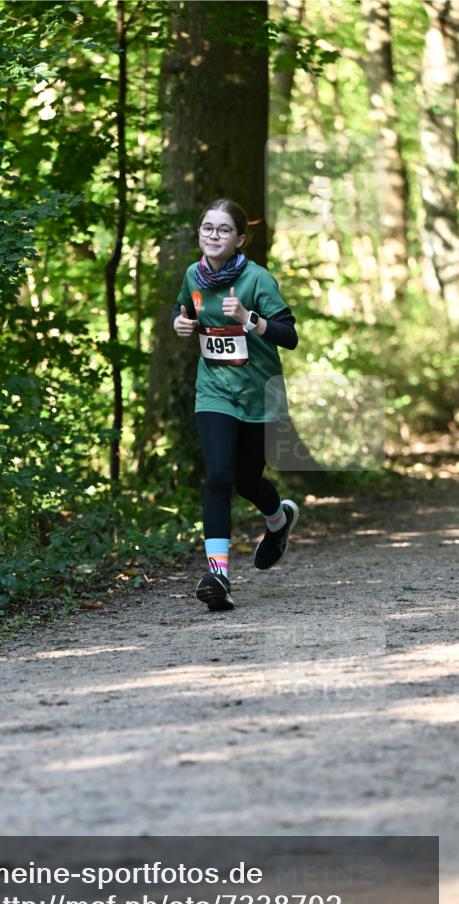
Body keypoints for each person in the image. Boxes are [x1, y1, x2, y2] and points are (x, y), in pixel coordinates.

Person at [172, 198, 299, 611]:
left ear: (240, 238)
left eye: (223, 229)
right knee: (219, 475)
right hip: (214, 392)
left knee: (247, 481)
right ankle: (219, 575)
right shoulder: (193, 274)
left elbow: (289, 335)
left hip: (260, 395)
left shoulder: (258, 280)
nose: (213, 235)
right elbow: (184, 308)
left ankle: (278, 521)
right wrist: (181, 321)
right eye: (207, 228)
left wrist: (249, 319)